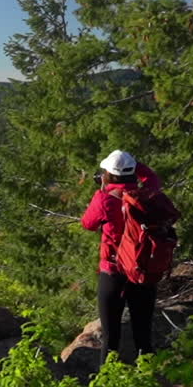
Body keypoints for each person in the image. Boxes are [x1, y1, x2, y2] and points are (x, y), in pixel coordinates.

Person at [80, 149, 161, 365]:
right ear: (133, 173)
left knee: (111, 336)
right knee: (143, 335)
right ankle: (148, 378)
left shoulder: (104, 199)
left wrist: (102, 190)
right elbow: (152, 178)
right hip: (143, 271)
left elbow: (87, 224)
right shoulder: (148, 195)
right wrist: (136, 164)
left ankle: (108, 384)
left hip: (113, 272)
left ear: (108, 175)